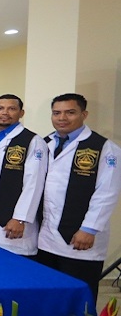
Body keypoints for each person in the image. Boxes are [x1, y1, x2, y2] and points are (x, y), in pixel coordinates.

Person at [37, 93, 121, 300]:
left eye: (70, 112)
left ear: (84, 114)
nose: (62, 118)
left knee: (78, 299)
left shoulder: (104, 148)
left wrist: (89, 228)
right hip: (45, 237)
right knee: (47, 295)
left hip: (80, 239)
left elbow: (107, 192)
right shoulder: (44, 143)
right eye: (56, 113)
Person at [0, 94, 47, 256]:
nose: (5, 112)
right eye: (0, 108)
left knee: (14, 272)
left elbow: (34, 183)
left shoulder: (32, 141)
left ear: (21, 113)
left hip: (13, 220)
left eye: (12, 109)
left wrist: (20, 218)